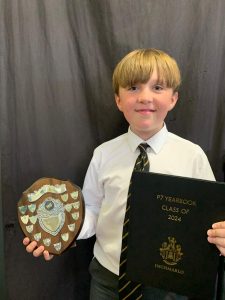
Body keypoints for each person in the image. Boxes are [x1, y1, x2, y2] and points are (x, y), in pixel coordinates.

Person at [23, 48, 225, 299]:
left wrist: (221, 235)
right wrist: (56, 235)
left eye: (158, 87)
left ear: (173, 99)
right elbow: (92, 212)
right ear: (118, 100)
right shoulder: (103, 154)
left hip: (168, 285)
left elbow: (210, 220)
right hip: (108, 281)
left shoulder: (192, 156)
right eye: (133, 88)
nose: (145, 97)